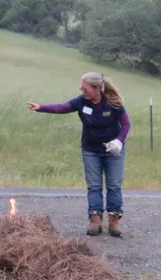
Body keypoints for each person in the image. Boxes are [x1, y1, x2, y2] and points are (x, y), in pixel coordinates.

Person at [27, 72, 131, 238]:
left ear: (97, 88)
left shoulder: (112, 102)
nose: (83, 91)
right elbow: (63, 107)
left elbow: (126, 124)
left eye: (85, 88)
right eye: (81, 89)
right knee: (94, 185)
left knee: (114, 185)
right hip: (91, 150)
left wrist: (119, 141)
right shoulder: (81, 101)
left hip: (113, 150)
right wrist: (41, 107)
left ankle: (114, 220)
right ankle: (95, 219)